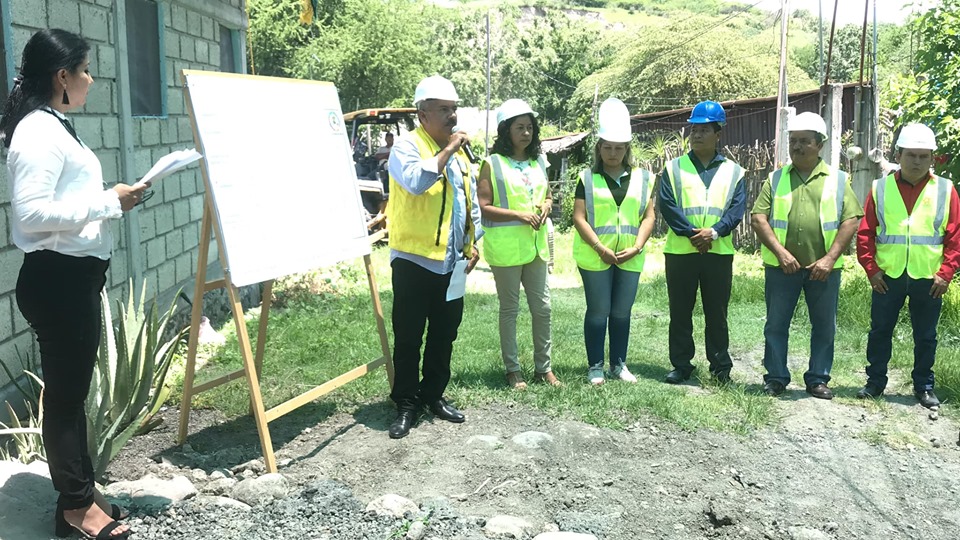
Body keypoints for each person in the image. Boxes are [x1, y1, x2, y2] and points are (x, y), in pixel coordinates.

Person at [3, 29, 148, 539]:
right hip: (58, 280)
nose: (90, 79)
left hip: (73, 276)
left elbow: (61, 200)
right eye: (84, 70)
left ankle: (82, 492)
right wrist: (110, 203)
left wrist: (111, 198)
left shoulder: (56, 125)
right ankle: (73, 510)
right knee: (65, 399)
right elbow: (32, 212)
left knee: (72, 393)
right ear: (62, 76)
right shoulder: (38, 132)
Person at [385, 75, 482, 438]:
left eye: (454, 109)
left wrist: (473, 244)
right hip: (413, 260)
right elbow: (415, 181)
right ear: (422, 113)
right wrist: (448, 152)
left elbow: (466, 202)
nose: (451, 117)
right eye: (443, 110)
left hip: (451, 262)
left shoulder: (459, 157)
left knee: (445, 334)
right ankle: (406, 403)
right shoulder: (407, 147)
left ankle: (434, 395)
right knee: (409, 335)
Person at [751, 112, 863, 400]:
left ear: (820, 145)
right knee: (776, 324)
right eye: (793, 141)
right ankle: (775, 378)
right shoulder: (776, 179)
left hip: (823, 269)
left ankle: (818, 379)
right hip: (781, 267)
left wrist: (829, 259)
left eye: (804, 141)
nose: (797, 147)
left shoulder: (838, 180)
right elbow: (758, 217)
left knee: (824, 326)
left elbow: (851, 219)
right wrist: (781, 254)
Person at [855, 123, 960, 409]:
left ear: (932, 159)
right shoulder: (880, 188)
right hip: (887, 275)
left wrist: (946, 274)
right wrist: (871, 269)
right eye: (911, 155)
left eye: (923, 156)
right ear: (899, 154)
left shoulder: (946, 190)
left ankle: (924, 386)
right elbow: (866, 232)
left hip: (929, 277)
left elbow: (955, 236)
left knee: (926, 336)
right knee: (880, 331)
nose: (917, 161)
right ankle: (875, 382)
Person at [658, 101, 746, 385]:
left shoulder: (735, 172)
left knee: (717, 312)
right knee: (680, 311)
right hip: (681, 252)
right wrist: (693, 234)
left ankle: (720, 368)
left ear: (718, 134)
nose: (696, 135)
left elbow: (737, 209)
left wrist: (714, 233)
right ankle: (682, 365)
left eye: (704, 130)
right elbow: (668, 206)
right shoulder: (673, 168)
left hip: (718, 252)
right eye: (693, 129)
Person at [572, 98, 656, 385]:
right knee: (599, 311)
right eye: (607, 147)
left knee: (621, 312)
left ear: (627, 149)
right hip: (596, 255)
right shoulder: (586, 178)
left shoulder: (644, 178)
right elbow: (579, 218)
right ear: (599, 148)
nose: (613, 153)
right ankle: (595, 365)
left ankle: (618, 365)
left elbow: (649, 217)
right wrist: (600, 248)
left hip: (630, 255)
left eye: (619, 148)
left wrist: (638, 246)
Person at [477, 99, 558, 390]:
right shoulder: (492, 164)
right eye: (519, 127)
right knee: (510, 310)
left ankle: (543, 368)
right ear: (505, 131)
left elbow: (547, 195)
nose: (526, 132)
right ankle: (513, 370)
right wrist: (519, 215)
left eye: (529, 127)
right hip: (507, 248)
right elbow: (484, 206)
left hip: (536, 247)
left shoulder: (539, 161)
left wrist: (547, 205)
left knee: (543, 308)